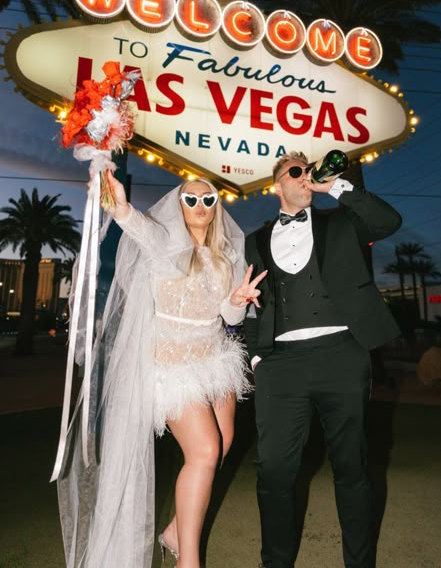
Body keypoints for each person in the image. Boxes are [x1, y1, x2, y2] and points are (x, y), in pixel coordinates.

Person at [57, 172, 266, 568]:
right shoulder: (163, 243)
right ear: (178, 204)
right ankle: (190, 560)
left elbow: (230, 316)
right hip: (172, 365)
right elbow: (132, 223)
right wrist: (119, 203)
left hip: (215, 359)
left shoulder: (225, 255)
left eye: (208, 200)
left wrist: (238, 298)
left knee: (222, 444)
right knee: (204, 451)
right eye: (191, 200)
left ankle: (173, 530)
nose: (200, 207)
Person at [243, 151, 402, 568]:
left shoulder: (342, 222)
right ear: (276, 184)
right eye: (296, 172)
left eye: (308, 172)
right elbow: (248, 303)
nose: (305, 178)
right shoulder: (252, 240)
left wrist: (339, 188)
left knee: (352, 468)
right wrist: (258, 358)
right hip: (280, 364)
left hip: (341, 357)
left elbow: (389, 222)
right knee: (274, 471)